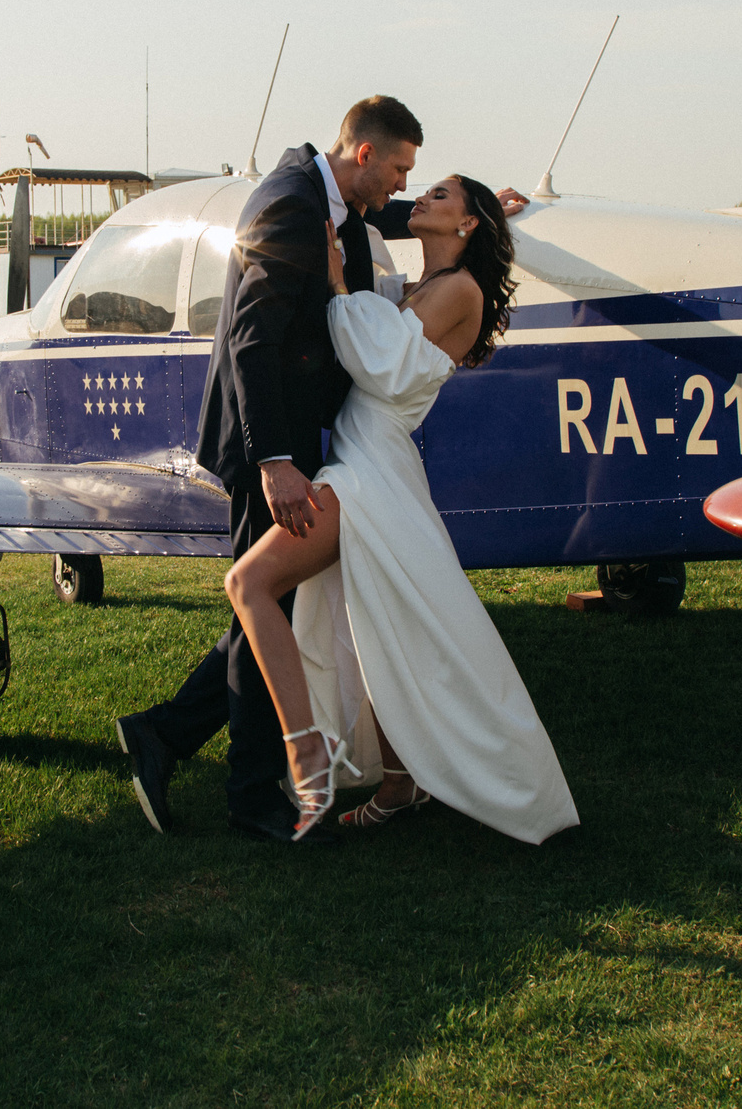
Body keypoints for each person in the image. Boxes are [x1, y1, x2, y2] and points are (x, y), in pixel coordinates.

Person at [114, 96, 518, 845]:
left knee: (270, 603)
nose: (404, 187)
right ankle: (243, 790)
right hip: (271, 446)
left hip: (323, 448)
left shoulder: (330, 199)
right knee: (262, 600)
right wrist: (273, 461)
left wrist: (488, 217)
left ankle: (165, 735)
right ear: (365, 154)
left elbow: (384, 224)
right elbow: (250, 340)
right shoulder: (290, 205)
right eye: (401, 169)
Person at [225, 173, 578, 845]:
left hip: (370, 472)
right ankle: (397, 778)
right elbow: (378, 324)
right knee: (379, 626)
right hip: (364, 460)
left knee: (250, 582)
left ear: (466, 224)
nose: (422, 198)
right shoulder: (419, 289)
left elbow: (376, 360)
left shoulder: (460, 292)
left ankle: (305, 755)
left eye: (441, 195)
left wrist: (335, 286)